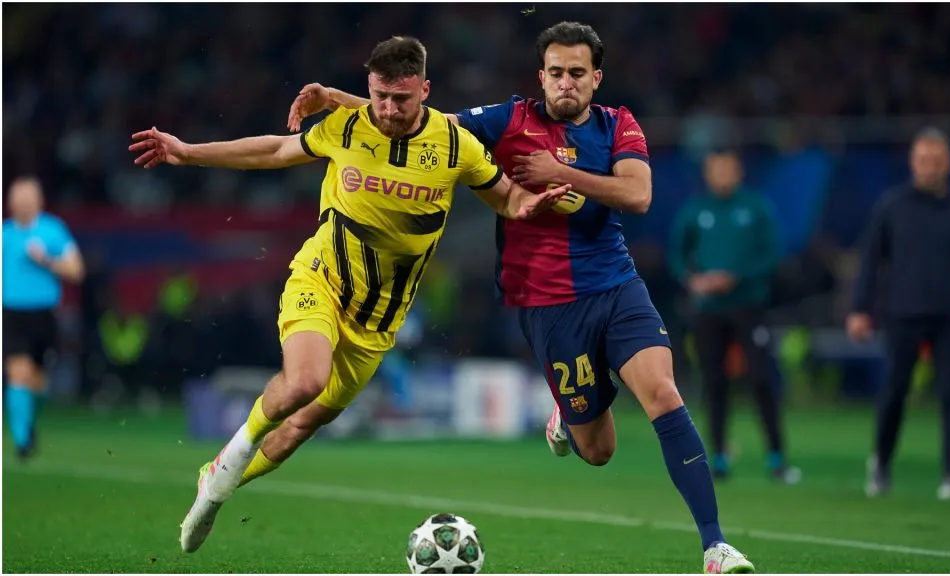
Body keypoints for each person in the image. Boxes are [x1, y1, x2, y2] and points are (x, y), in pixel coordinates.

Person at [286, 21, 754, 574]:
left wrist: (563, 172)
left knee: (662, 392)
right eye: (556, 72)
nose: (566, 83)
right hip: (548, 304)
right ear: (542, 76)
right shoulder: (508, 120)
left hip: (615, 284)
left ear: (595, 78)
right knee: (599, 450)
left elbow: (639, 193)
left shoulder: (617, 124)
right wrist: (338, 97)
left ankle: (715, 546)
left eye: (577, 73)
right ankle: (567, 416)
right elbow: (422, 121)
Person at [129, 36, 570, 553]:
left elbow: (506, 197)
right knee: (305, 380)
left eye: (401, 99)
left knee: (298, 429)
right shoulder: (345, 126)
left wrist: (527, 205)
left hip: (379, 321)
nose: (387, 109)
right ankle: (227, 469)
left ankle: (214, 477)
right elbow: (275, 148)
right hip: (321, 278)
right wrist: (187, 152)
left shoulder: (456, 146)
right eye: (379, 95)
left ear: (424, 91)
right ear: (369, 88)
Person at [847, 127, 950, 501]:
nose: (929, 167)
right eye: (923, 160)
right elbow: (870, 261)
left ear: (948, 164)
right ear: (913, 163)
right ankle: (880, 464)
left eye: (936, 161)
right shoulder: (892, 206)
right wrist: (860, 309)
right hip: (902, 312)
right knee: (894, 391)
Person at [669, 148, 799, 484]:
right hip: (708, 310)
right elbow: (677, 256)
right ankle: (719, 457)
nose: (723, 175)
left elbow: (772, 254)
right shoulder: (695, 211)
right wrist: (693, 279)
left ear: (739, 171)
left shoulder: (755, 207)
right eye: (716, 169)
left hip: (747, 305)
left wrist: (736, 276)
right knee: (713, 382)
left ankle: (777, 457)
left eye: (728, 169)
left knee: (760, 378)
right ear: (708, 174)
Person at [2, 176, 85, 460]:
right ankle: (22, 441)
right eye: (17, 198)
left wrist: (46, 260)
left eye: (28, 198)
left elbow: (77, 270)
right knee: (17, 373)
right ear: (10, 202)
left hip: (44, 315)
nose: (22, 204)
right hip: (11, 314)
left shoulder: (53, 231)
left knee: (38, 383)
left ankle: (28, 423)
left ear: (39, 201)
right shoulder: (5, 234)